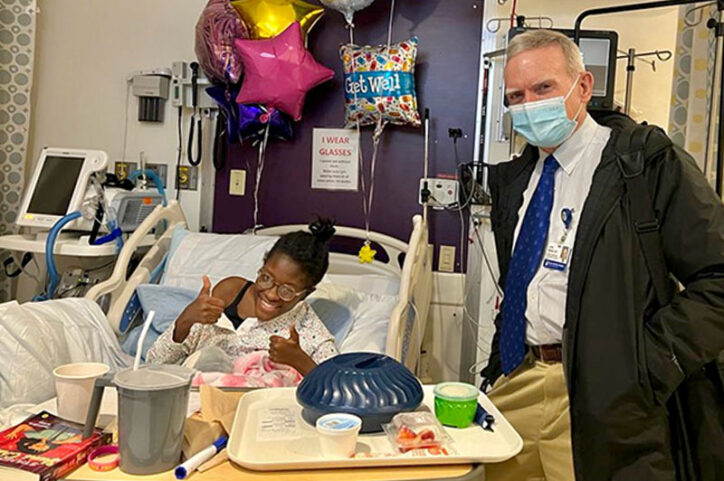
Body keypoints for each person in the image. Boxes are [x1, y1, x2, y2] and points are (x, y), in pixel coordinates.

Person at [481, 29, 724, 481]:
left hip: (605, 395)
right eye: (516, 96)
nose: (529, 104)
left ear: (584, 87)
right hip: (519, 379)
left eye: (543, 88)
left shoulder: (643, 164)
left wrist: (648, 365)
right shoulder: (516, 182)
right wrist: (500, 365)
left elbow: (718, 278)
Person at [146, 219, 339, 376]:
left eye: (287, 291)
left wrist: (300, 361)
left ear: (306, 293)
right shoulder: (228, 293)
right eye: (266, 278)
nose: (271, 294)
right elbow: (154, 363)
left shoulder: (312, 334)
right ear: (262, 267)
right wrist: (185, 319)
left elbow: (338, 394)